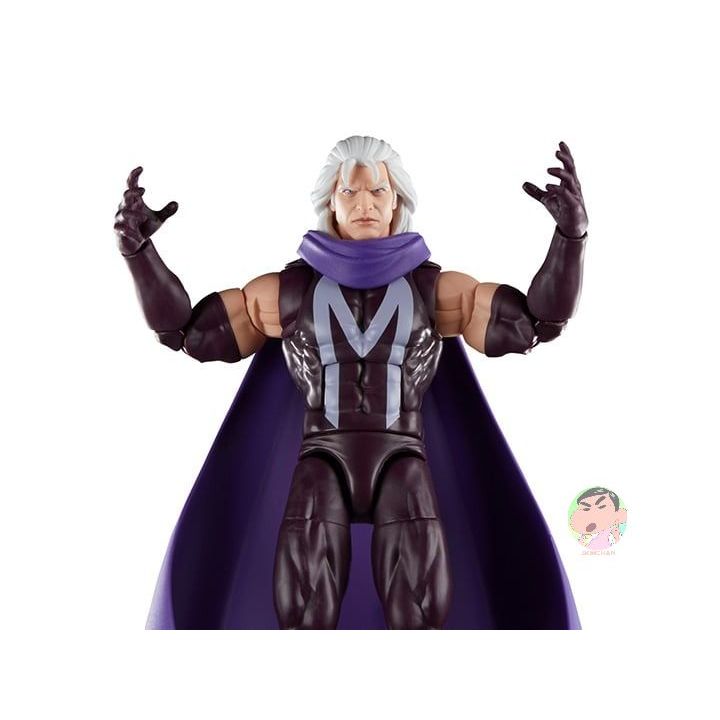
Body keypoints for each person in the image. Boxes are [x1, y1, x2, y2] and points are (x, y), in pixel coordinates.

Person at [115, 136, 587, 629]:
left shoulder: (434, 290)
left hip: (402, 456)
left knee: (420, 609)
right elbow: (189, 333)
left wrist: (569, 239)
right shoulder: (288, 293)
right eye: (350, 192)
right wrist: (140, 255)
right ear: (331, 203)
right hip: (323, 457)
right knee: (304, 609)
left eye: (378, 191)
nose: (365, 204)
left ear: (397, 201)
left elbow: (533, 323)